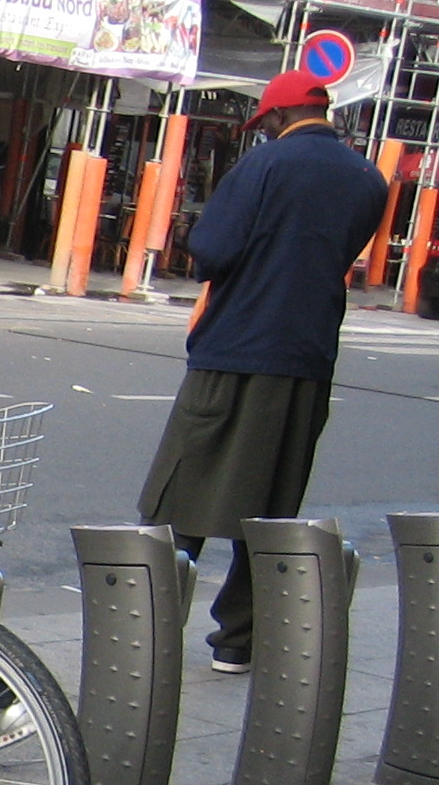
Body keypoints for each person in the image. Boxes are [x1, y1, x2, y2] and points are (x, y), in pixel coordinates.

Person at [136, 69, 389, 671]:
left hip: (235, 345)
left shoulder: (264, 165)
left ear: (277, 115)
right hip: (307, 358)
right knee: (271, 501)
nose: (264, 130)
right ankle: (238, 639)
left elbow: (212, 249)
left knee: (178, 488)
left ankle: (145, 620)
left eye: (265, 121)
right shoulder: (368, 179)